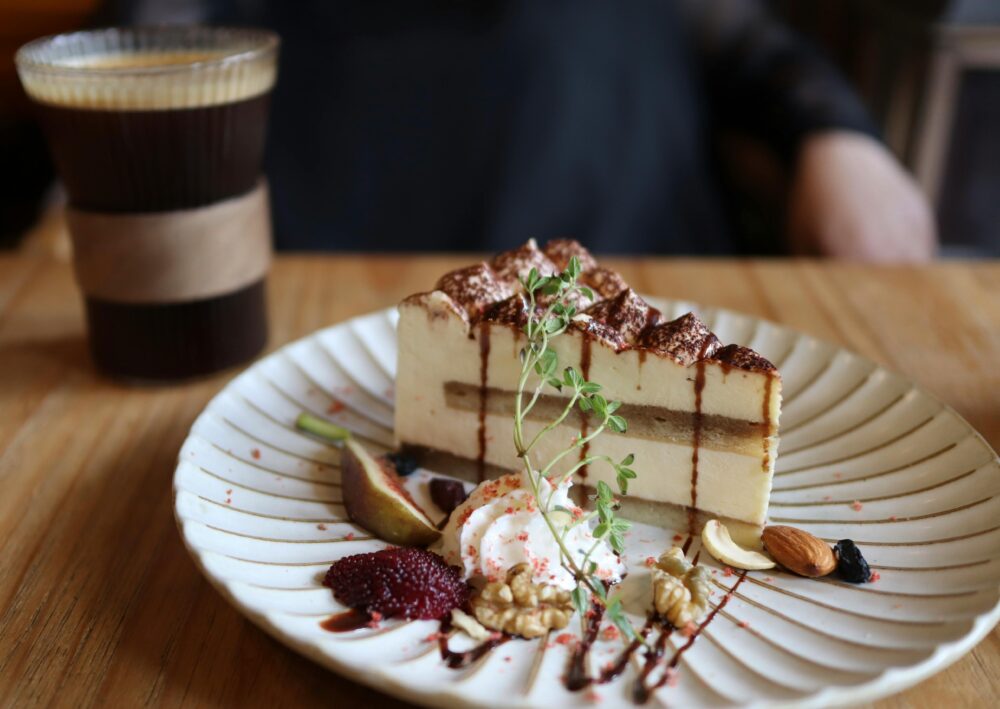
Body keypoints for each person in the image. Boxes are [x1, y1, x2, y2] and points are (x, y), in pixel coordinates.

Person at [129, 0, 937, 260]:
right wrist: (121, 167)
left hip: (629, 252)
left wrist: (836, 132)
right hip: (334, 257)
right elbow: (156, 23)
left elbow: (728, 26)